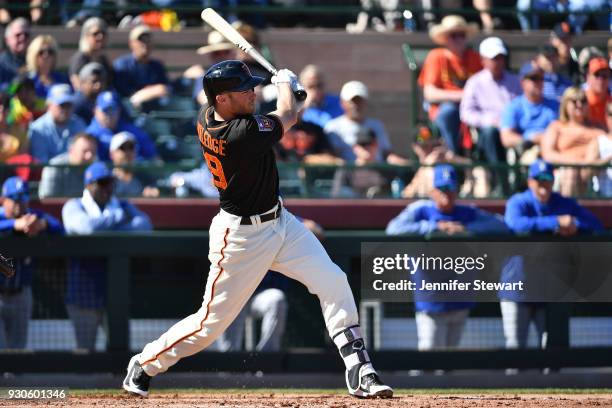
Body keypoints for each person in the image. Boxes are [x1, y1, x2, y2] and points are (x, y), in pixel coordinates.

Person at [122, 60, 393, 398]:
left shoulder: (209, 114)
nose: (252, 92)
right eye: (243, 89)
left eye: (251, 87)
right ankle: (146, 362)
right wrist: (286, 87)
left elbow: (278, 111)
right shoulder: (239, 133)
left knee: (333, 281)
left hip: (280, 221)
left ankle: (360, 368)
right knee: (209, 326)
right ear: (222, 99)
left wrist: (284, 92)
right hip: (240, 238)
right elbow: (288, 116)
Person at [386, 165, 508, 351]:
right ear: (432, 190)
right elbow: (393, 229)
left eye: (450, 188)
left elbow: (501, 227)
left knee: (451, 358)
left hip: (460, 295)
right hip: (431, 298)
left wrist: (466, 228)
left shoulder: (467, 212)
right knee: (429, 354)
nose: (447, 194)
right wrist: (434, 227)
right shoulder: (421, 211)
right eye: (442, 189)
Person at [502, 159, 603, 350]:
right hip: (517, 286)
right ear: (530, 181)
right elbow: (515, 224)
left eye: (547, 178)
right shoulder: (519, 202)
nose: (543, 184)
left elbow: (595, 225)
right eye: (538, 179)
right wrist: (555, 222)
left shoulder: (563, 203)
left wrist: (574, 226)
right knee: (515, 346)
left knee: (551, 345)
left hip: (549, 288)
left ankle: (550, 381)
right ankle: (514, 381)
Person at [62, 162, 153, 351]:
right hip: (83, 292)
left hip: (115, 293)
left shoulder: (121, 204)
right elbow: (86, 228)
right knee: (85, 353)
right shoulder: (74, 205)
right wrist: (117, 220)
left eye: (110, 183)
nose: (107, 188)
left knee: (119, 352)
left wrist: (112, 225)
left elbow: (144, 226)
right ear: (88, 185)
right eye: (102, 183)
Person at [0, 176, 63, 349]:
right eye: (15, 199)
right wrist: (14, 224)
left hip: (21, 293)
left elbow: (58, 227)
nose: (20, 204)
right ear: (3, 200)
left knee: (18, 349)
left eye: (24, 198)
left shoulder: (31, 217)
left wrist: (42, 224)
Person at [460, 36, 520, 194]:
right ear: (483, 60)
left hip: (513, 129)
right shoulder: (475, 82)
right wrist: (489, 121)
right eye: (494, 58)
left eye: (500, 58)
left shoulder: (515, 81)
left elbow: (522, 107)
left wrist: (509, 122)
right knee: (490, 133)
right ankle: (501, 181)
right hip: (487, 132)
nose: (498, 62)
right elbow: (466, 113)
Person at [418, 15, 482, 155]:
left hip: (474, 107)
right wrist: (463, 96)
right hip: (445, 110)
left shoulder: (475, 58)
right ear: (446, 38)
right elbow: (430, 94)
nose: (458, 39)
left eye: (461, 35)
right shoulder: (436, 56)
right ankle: (454, 154)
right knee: (449, 112)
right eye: (454, 35)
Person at [324, 80, 405, 165]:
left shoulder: (377, 125)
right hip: (346, 175)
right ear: (342, 103)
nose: (356, 105)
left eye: (359, 101)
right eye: (352, 101)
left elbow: (387, 153)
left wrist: (403, 163)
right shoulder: (332, 127)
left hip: (378, 174)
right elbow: (328, 156)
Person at [541, 87, 601, 196]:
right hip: (564, 173)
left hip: (593, 175)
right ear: (565, 104)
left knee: (595, 145)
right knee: (571, 172)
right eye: (574, 101)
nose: (579, 105)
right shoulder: (557, 127)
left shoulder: (597, 129)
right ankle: (567, 210)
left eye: (583, 101)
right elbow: (548, 154)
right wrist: (578, 163)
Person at [500, 64, 559, 164]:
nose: (539, 82)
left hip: (554, 147)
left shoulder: (555, 104)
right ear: (522, 82)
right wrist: (531, 139)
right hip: (529, 150)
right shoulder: (514, 106)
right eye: (534, 78)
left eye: (541, 78)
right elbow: (506, 138)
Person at [86, 91, 158, 162]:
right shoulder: (90, 135)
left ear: (119, 111)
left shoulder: (133, 132)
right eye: (105, 110)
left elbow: (155, 159)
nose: (109, 115)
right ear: (95, 111)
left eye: (112, 110)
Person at [113, 25, 170, 112]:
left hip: (156, 109)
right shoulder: (122, 65)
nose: (145, 43)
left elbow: (166, 88)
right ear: (131, 43)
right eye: (141, 40)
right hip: (130, 112)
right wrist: (149, 92)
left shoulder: (157, 66)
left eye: (148, 40)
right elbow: (124, 93)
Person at [28, 84, 87, 163]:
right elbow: (41, 164)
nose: (65, 109)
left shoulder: (79, 124)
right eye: (62, 105)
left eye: (68, 105)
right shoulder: (37, 129)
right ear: (49, 105)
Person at [38, 132, 98, 199]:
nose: (89, 156)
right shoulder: (54, 167)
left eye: (93, 152)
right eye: (84, 151)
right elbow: (48, 200)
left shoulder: (97, 168)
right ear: (71, 150)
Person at [185, 30, 236, 106]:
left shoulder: (243, 72)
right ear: (211, 55)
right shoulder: (205, 77)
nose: (221, 56)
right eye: (216, 53)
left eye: (226, 52)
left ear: (232, 53)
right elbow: (204, 99)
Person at [109, 132, 159, 198]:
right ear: (112, 154)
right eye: (122, 148)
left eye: (131, 147)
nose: (127, 152)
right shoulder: (106, 180)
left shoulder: (147, 179)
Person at [68, 17, 113, 90]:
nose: (100, 37)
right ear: (86, 36)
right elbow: (76, 84)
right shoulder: (80, 58)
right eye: (95, 34)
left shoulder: (103, 59)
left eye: (103, 33)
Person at [298, 64, 343, 129]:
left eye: (319, 85)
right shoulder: (298, 108)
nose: (316, 90)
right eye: (311, 86)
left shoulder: (338, 103)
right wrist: (304, 107)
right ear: (302, 87)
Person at [25, 34, 69, 99]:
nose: (46, 55)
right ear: (33, 55)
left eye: (50, 52)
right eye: (41, 52)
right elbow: (10, 91)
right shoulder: (26, 77)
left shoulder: (63, 79)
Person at [585, 57, 611, 130]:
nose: (601, 79)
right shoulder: (579, 102)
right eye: (597, 75)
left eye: (605, 76)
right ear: (588, 77)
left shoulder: (610, 103)